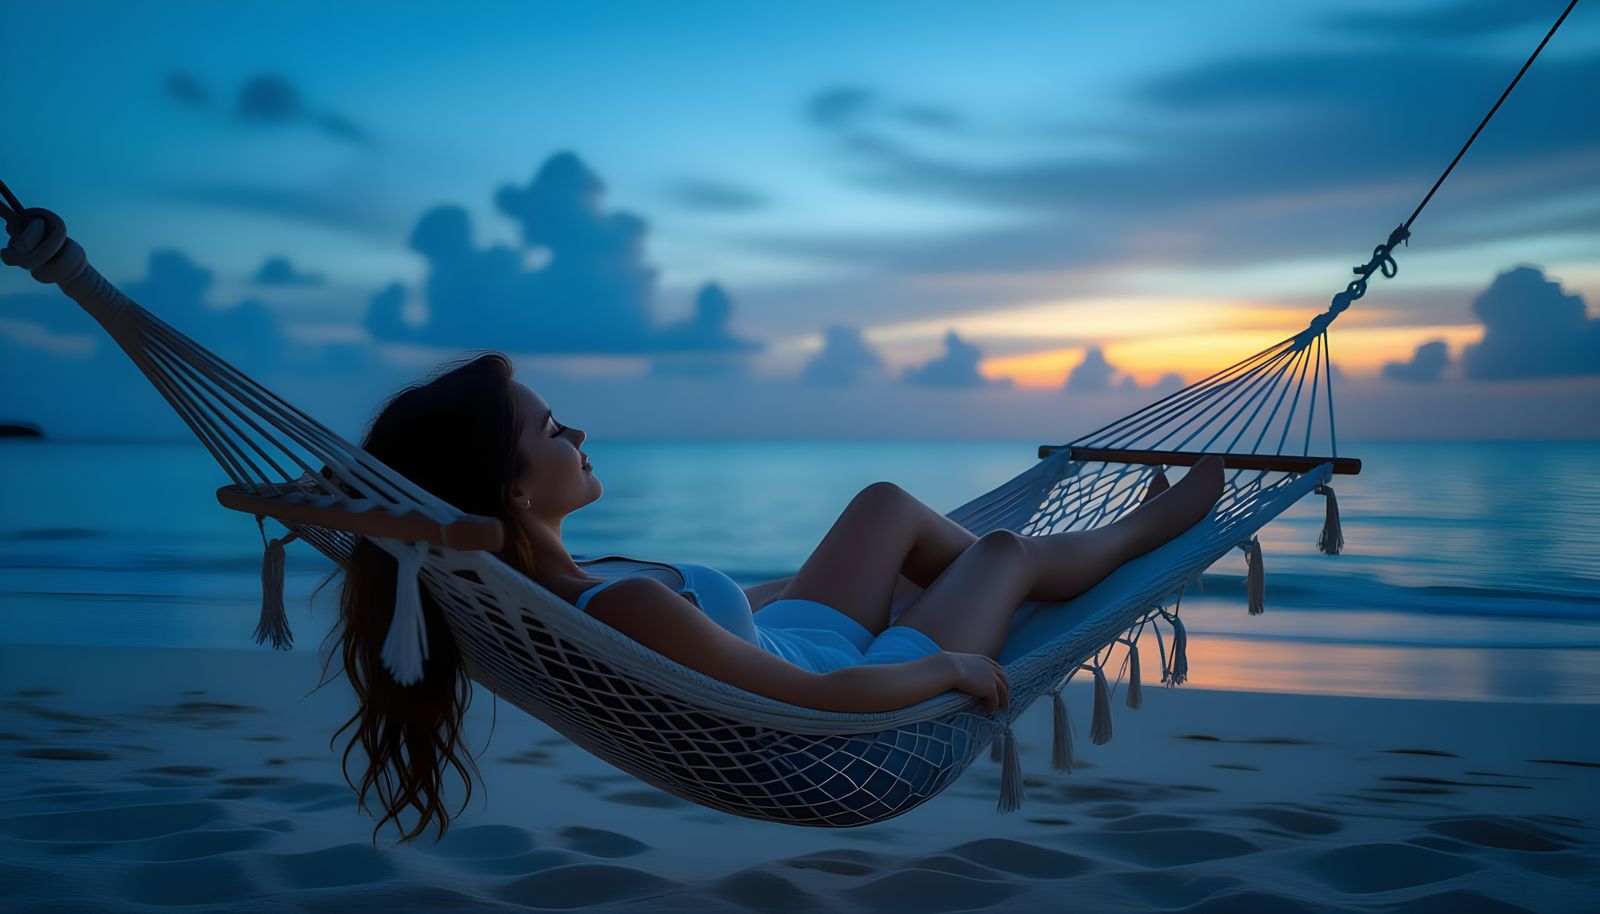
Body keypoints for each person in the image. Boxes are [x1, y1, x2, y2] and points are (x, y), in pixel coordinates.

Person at [322, 351, 1225, 842]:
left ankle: (1007, 575)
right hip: (839, 729)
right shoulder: (608, 607)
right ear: (513, 491)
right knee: (999, 553)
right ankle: (1144, 536)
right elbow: (820, 703)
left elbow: (719, 624)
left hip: (792, 643)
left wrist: (836, 587)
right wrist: (944, 661)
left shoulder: (554, 583)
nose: (579, 432)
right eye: (554, 429)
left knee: (882, 506)